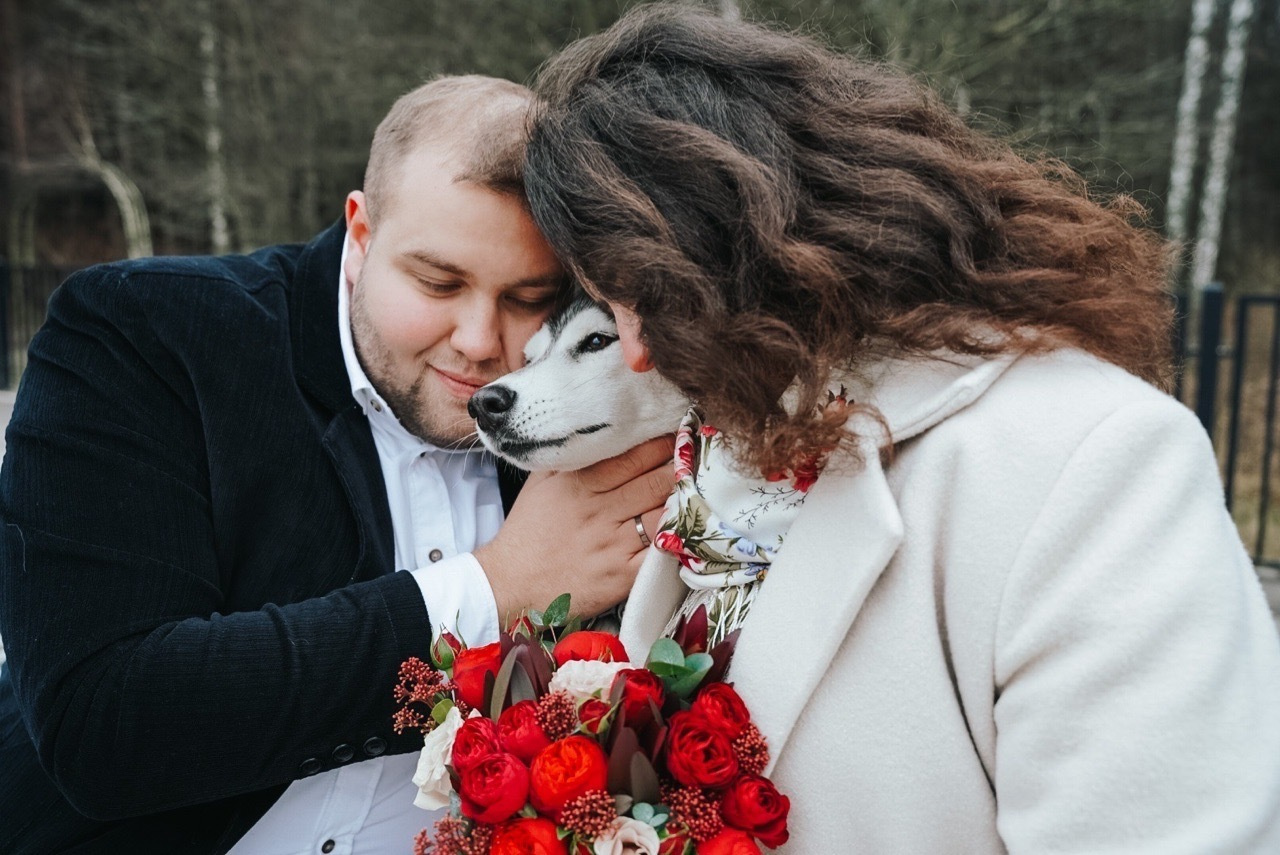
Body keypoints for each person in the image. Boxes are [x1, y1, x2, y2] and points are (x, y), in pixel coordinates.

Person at [523, 5, 1280, 851]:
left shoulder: (1092, 460)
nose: (634, 351)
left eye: (640, 296)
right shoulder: (719, 451)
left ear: (739, 244)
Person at [0, 75, 672, 854]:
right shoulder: (146, 336)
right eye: (437, 281)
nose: (483, 341)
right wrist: (496, 585)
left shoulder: (583, 402)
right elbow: (106, 722)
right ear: (359, 234)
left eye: (528, 297)